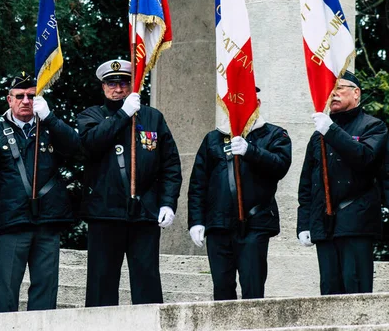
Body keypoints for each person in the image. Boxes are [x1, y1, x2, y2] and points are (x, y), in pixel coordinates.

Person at [0, 71, 79, 313]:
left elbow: (75, 147)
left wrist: (49, 117)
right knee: (6, 288)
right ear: (9, 100)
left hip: (48, 219)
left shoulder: (49, 126)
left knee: (45, 288)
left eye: (31, 96)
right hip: (13, 219)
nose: (26, 101)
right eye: (19, 96)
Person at [77, 59, 182, 307]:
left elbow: (170, 164)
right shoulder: (91, 115)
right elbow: (91, 144)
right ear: (103, 87)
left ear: (133, 84)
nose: (118, 88)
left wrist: (167, 203)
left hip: (144, 212)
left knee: (147, 286)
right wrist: (124, 114)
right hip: (105, 213)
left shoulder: (152, 117)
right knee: (101, 287)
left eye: (124, 82)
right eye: (111, 83)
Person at [187, 88, 292, 300]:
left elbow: (280, 166)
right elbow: (198, 184)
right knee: (222, 288)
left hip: (255, 222)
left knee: (252, 288)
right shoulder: (213, 139)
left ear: (258, 103)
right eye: (235, 102)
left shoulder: (273, 134)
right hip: (218, 224)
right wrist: (196, 221)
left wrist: (250, 151)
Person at [297, 70, 388, 295]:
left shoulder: (373, 127)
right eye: (330, 89)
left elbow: (364, 158)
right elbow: (308, 183)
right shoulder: (318, 134)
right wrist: (304, 223)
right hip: (324, 223)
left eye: (340, 87)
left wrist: (331, 130)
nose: (333, 94)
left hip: (356, 219)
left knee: (355, 288)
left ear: (356, 93)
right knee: (329, 290)